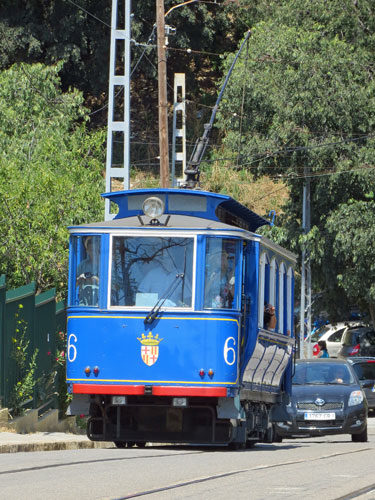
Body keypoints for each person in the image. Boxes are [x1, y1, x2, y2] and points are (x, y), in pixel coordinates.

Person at [76, 236, 100, 305]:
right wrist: (80, 279)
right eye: (91, 250)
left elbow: (116, 287)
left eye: (95, 249)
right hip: (84, 304)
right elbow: (73, 285)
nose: (93, 252)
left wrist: (97, 281)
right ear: (87, 251)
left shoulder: (106, 265)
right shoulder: (83, 265)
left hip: (100, 304)